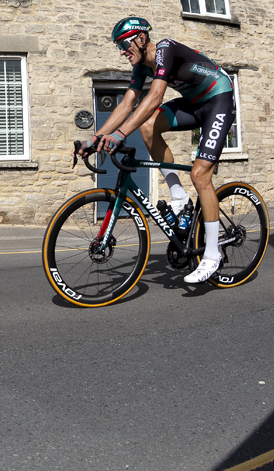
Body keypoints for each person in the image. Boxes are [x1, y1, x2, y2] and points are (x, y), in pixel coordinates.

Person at [79, 17, 237, 283]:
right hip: (194, 104)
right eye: (118, 45)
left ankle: (212, 256)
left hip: (218, 100)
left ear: (141, 39)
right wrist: (94, 139)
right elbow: (126, 104)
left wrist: (119, 135)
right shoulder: (141, 68)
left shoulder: (164, 49)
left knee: (200, 175)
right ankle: (179, 197)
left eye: (123, 43)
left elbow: (154, 98)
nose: (120, 50)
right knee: (149, 127)